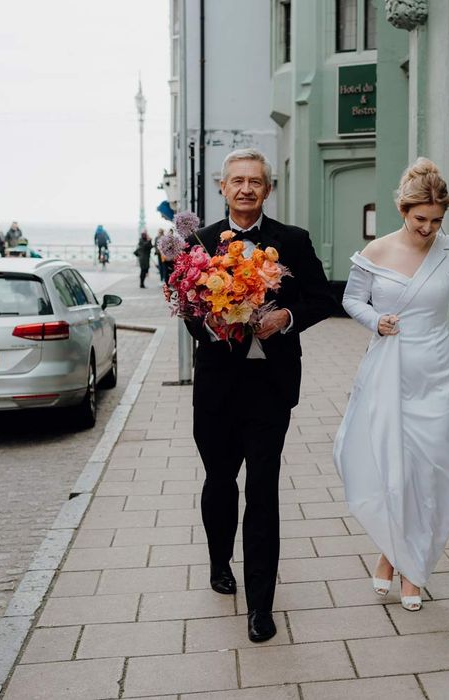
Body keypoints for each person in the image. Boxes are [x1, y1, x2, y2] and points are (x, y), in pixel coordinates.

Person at [333, 158, 449, 611]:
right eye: (420, 220)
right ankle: (409, 569)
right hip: (390, 369)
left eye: (436, 221)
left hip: (436, 371)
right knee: (396, 469)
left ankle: (394, 557)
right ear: (402, 210)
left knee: (431, 473)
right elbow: (351, 299)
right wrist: (378, 320)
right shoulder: (375, 252)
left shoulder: (448, 250)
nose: (428, 229)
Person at [183, 148, 337, 642]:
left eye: (256, 181)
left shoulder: (292, 240)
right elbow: (185, 305)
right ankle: (218, 560)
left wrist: (285, 319)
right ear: (222, 188)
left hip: (269, 388)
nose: (246, 188)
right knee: (220, 480)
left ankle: (261, 607)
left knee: (264, 492)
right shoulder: (199, 243)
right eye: (237, 181)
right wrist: (207, 321)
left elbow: (320, 299)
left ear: (268, 190)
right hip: (216, 388)